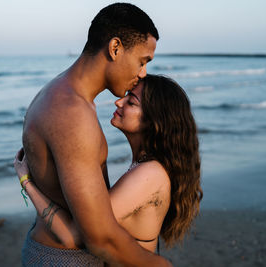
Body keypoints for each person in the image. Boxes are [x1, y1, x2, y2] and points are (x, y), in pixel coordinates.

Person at [18, 3, 172, 266]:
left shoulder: (60, 93)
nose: (142, 73)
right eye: (142, 61)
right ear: (115, 48)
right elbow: (99, 238)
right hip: (66, 260)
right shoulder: (72, 114)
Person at [15, 75, 203, 257]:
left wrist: (27, 183)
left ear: (154, 121)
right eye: (126, 95)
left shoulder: (150, 174)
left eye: (131, 102)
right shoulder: (145, 167)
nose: (119, 102)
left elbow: (74, 236)